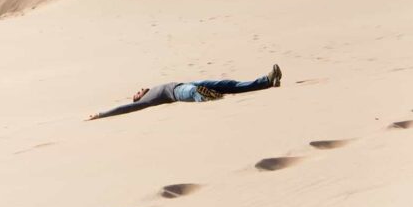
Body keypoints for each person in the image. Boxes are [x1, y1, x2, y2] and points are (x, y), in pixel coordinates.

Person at [86, 64, 282, 120]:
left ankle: (266, 81)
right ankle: (205, 96)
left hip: (187, 82)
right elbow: (125, 109)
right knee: (194, 91)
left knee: (227, 83)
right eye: (136, 93)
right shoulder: (144, 101)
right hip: (178, 92)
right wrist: (102, 114)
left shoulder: (153, 89)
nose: (138, 91)